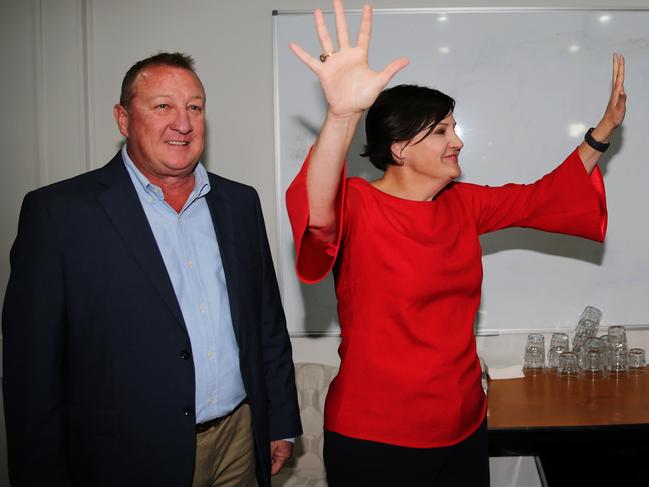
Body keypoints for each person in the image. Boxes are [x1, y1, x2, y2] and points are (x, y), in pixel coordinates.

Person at [286, 1, 626, 486]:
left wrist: (602, 133)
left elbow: (542, 198)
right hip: (376, 436)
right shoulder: (357, 205)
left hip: (463, 428)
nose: (458, 141)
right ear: (399, 147)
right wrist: (341, 116)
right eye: (442, 130)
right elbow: (316, 213)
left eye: (454, 127)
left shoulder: (462, 204)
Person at [2, 52, 301, 487]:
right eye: (163, 106)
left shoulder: (239, 203)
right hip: (125, 455)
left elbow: (266, 323)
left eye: (194, 107)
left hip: (239, 440)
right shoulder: (59, 213)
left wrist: (278, 420)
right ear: (123, 119)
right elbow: (32, 370)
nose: (182, 122)